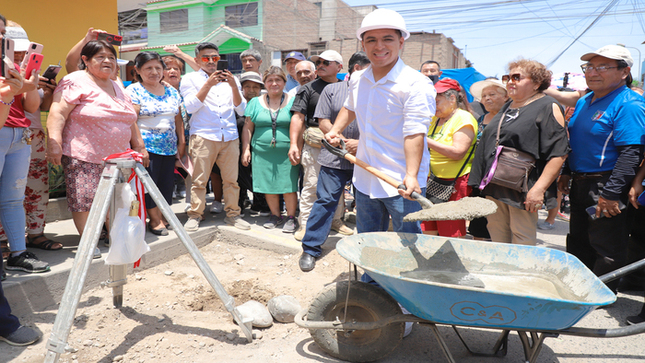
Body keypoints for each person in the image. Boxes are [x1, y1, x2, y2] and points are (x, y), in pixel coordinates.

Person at [325, 8, 434, 242]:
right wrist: (335, 130)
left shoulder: (416, 84)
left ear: (401, 42)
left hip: (402, 182)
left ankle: (406, 280)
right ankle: (370, 279)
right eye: (371, 40)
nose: (379, 46)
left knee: (410, 241)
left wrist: (411, 175)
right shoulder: (357, 78)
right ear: (363, 44)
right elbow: (350, 107)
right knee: (368, 238)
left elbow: (415, 133)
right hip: (365, 176)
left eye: (387, 39)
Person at [46, 40, 147, 258]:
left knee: (117, 200)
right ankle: (88, 242)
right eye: (100, 57)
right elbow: (58, 113)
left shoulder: (117, 84)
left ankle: (117, 240)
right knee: (84, 200)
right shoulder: (74, 81)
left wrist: (139, 145)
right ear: (85, 60)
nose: (107, 61)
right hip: (84, 154)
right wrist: (54, 142)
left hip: (118, 157)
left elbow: (130, 119)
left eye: (111, 57)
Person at [558, 45, 645, 292]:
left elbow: (631, 153)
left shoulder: (629, 104)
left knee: (606, 245)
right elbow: (574, 140)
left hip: (606, 183)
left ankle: (601, 294)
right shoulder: (586, 100)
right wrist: (566, 171)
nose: (593, 72)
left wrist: (610, 193)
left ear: (624, 71)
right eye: (590, 67)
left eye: (603, 67)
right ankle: (577, 290)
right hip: (580, 181)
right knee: (578, 240)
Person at [468, 59, 569, 245]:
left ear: (537, 83)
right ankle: (503, 274)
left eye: (517, 77)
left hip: (522, 188)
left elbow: (558, 153)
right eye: (507, 77)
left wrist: (538, 189)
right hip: (495, 183)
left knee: (522, 239)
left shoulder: (547, 105)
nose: (510, 82)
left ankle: (522, 275)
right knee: (498, 238)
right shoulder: (508, 106)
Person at [299, 51, 370, 272]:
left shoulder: (377, 92)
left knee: (367, 206)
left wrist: (361, 143)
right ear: (357, 69)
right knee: (326, 201)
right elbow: (323, 121)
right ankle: (310, 248)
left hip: (365, 158)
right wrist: (343, 141)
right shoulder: (332, 90)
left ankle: (367, 252)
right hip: (334, 156)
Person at [0, 23, 62, 254]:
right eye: (12, 47)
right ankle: (4, 240)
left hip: (26, 132)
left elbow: (33, 107)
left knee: (29, 190)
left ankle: (31, 238)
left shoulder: (24, 69)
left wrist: (38, 87)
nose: (18, 53)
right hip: (5, 129)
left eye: (22, 49)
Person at [180, 42, 250, 231]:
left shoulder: (231, 79)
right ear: (196, 60)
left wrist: (234, 86)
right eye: (206, 57)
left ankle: (233, 214)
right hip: (203, 135)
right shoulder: (190, 79)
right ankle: (195, 215)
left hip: (229, 136)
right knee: (200, 180)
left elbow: (242, 109)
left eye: (215, 58)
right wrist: (208, 84)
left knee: (231, 181)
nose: (211, 61)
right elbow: (190, 107)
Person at [0, 26, 42, 344]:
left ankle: (19, 253)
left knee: (13, 199)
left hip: (19, 134)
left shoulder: (15, 65)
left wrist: (30, 78)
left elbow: (31, 107)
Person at [288, 50, 348, 240]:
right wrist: (293, 145)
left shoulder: (347, 88)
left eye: (325, 62)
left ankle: (336, 220)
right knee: (312, 185)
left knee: (337, 187)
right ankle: (305, 224)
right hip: (315, 145)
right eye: (319, 62)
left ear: (339, 67)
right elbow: (297, 117)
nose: (320, 64)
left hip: (341, 146)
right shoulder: (307, 89)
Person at [126, 51, 185, 236]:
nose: (154, 72)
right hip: (146, 148)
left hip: (168, 148)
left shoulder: (171, 90)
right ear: (137, 70)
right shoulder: (134, 90)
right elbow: (131, 120)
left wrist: (181, 143)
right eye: (148, 68)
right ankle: (154, 220)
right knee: (148, 185)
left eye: (158, 68)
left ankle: (164, 215)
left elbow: (178, 120)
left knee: (166, 184)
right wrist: (140, 147)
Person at [241, 67, 298, 231]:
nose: (274, 83)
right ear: (264, 83)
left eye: (278, 80)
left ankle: (291, 217)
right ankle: (275, 215)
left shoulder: (293, 100)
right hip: (262, 153)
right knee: (268, 185)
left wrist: (297, 147)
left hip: (287, 153)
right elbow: (248, 128)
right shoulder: (254, 102)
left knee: (288, 186)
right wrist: (246, 149)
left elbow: (299, 125)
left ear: (284, 82)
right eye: (270, 80)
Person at [422, 79, 477, 237]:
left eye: (437, 101)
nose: (433, 105)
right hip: (432, 180)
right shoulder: (435, 119)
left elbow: (457, 152)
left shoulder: (463, 119)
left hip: (454, 181)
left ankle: (450, 261)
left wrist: (426, 141)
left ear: (452, 98)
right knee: (427, 227)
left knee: (450, 231)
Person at [467, 78, 509, 240]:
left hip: (500, 177)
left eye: (492, 94)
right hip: (479, 175)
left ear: (506, 97)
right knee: (478, 223)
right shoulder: (479, 119)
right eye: (484, 96)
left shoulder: (510, 118)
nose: (487, 99)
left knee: (499, 222)